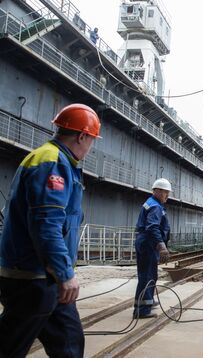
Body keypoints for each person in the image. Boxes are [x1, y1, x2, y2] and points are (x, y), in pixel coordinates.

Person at [0, 104, 101, 357]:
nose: (90, 147)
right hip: (32, 277)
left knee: (69, 342)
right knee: (10, 346)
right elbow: (47, 224)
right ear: (82, 136)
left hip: (49, 279)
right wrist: (65, 273)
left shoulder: (62, 162)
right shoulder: (52, 162)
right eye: (91, 140)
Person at [133, 178, 171, 319]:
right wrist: (161, 246)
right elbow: (153, 227)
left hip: (145, 242)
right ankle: (142, 310)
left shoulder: (151, 203)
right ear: (158, 191)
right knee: (148, 275)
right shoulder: (155, 207)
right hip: (148, 243)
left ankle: (147, 301)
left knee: (147, 274)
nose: (167, 195)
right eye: (166, 192)